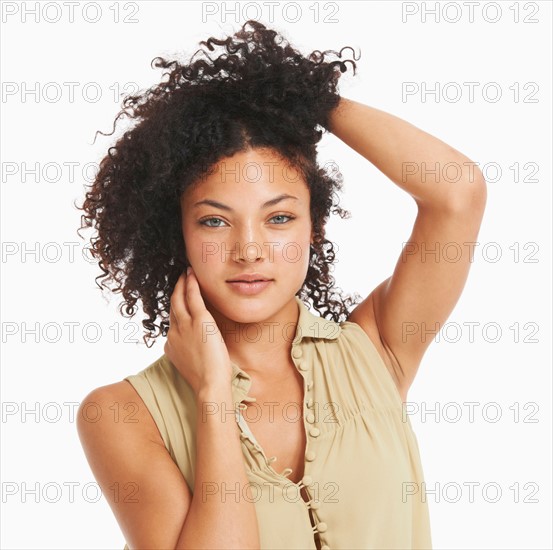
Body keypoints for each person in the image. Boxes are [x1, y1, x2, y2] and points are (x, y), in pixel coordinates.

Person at [75, 19, 486, 550]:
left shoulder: (376, 350)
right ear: (174, 232)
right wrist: (213, 396)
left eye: (279, 218)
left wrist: (297, 97)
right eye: (215, 221)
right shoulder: (121, 415)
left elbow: (457, 192)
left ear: (315, 226)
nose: (249, 250)